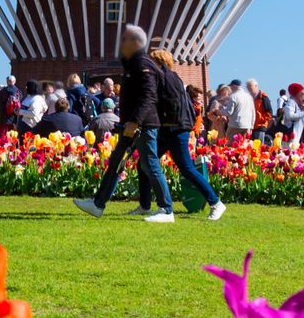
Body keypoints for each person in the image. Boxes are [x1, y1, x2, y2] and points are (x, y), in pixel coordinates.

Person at [77, 25, 178, 221]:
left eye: (124, 40)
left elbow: (148, 96)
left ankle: (166, 209)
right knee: (116, 161)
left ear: (135, 43)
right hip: (131, 124)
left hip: (142, 125)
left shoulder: (143, 64)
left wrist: (135, 121)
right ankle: (98, 204)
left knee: (150, 164)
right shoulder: (134, 64)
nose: (121, 44)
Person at [149, 47, 225, 220]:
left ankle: (216, 203)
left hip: (175, 129)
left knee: (187, 168)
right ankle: (145, 205)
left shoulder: (165, 78)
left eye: (152, 61)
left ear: (159, 62)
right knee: (147, 162)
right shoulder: (171, 77)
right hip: (171, 128)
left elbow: (167, 104)